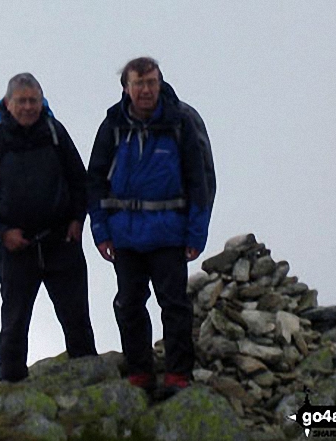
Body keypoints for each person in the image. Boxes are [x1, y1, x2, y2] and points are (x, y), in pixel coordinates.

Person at [87, 57, 214, 396]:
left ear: (160, 83)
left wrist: (196, 233)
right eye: (139, 83)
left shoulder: (180, 123)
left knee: (173, 304)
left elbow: (198, 182)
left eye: (151, 82)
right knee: (129, 303)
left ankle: (178, 375)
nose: (146, 90)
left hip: (169, 233)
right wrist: (101, 232)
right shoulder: (112, 126)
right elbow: (95, 181)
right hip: (125, 236)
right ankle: (140, 372)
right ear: (126, 87)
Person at [0, 73, 97, 382]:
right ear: (8, 103)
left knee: (76, 317)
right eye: (22, 101)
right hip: (17, 247)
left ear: (42, 102)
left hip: (61, 243)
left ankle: (92, 379)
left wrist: (78, 221)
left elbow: (81, 181)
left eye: (33, 101)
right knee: (14, 320)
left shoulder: (55, 132)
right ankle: (10, 384)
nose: (28, 107)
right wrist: (2, 232)